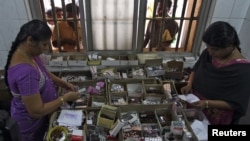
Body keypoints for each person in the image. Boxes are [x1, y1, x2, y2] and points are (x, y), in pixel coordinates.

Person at [4, 19, 81, 141]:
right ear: (30, 41)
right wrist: (65, 98)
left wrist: (63, 83)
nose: (46, 48)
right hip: (30, 126)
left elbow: (44, 73)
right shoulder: (25, 73)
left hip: (41, 119)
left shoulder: (30, 55)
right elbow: (36, 111)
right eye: (44, 44)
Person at [180, 21, 250, 125]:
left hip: (216, 115)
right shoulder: (209, 54)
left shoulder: (243, 70)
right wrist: (189, 83)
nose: (210, 52)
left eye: (215, 49)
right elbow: (196, 68)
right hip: (196, 104)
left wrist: (207, 103)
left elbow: (235, 103)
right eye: (208, 47)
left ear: (230, 45)